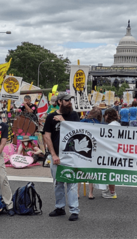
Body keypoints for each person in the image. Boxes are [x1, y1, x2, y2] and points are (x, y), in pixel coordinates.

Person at [43, 92, 80, 221]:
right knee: (58, 183)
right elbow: (47, 136)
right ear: (59, 102)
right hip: (56, 155)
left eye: (70, 100)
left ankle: (74, 210)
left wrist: (63, 121)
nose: (69, 102)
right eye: (66, 100)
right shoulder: (50, 117)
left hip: (71, 155)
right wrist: (53, 154)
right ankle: (60, 207)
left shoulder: (74, 115)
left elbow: (78, 132)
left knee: (72, 183)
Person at [80, 107, 102, 199]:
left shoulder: (82, 121)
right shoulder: (98, 124)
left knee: (79, 169)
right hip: (93, 148)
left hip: (82, 147)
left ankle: (77, 193)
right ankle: (91, 193)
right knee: (91, 171)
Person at [102, 108, 120, 199]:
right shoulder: (117, 124)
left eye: (105, 115)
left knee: (110, 171)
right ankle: (110, 190)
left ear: (108, 115)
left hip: (111, 152)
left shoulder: (110, 126)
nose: (104, 117)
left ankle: (112, 192)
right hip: (116, 151)